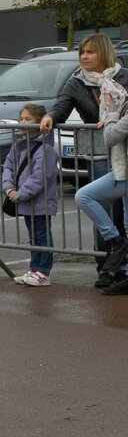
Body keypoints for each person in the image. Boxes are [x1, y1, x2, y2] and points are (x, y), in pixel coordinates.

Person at [40, 33, 128, 287]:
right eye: (82, 53)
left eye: (90, 52)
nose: (85, 57)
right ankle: (106, 264)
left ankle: (123, 267)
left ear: (103, 53)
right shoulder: (77, 82)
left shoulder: (123, 77)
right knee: (104, 208)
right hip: (100, 152)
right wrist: (50, 117)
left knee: (124, 213)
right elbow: (61, 106)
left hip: (123, 148)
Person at [75, 94, 128, 294]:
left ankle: (116, 241)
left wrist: (111, 116)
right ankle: (117, 241)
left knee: (84, 196)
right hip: (122, 172)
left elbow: (110, 137)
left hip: (123, 173)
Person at [2, 104, 59, 287]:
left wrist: (21, 194)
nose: (23, 122)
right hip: (24, 200)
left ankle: (44, 271)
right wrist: (9, 188)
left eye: (28, 119)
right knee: (33, 235)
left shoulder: (45, 147)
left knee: (43, 235)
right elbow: (8, 166)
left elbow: (41, 176)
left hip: (40, 201)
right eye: (22, 118)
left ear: (39, 122)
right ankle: (34, 268)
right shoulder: (18, 144)